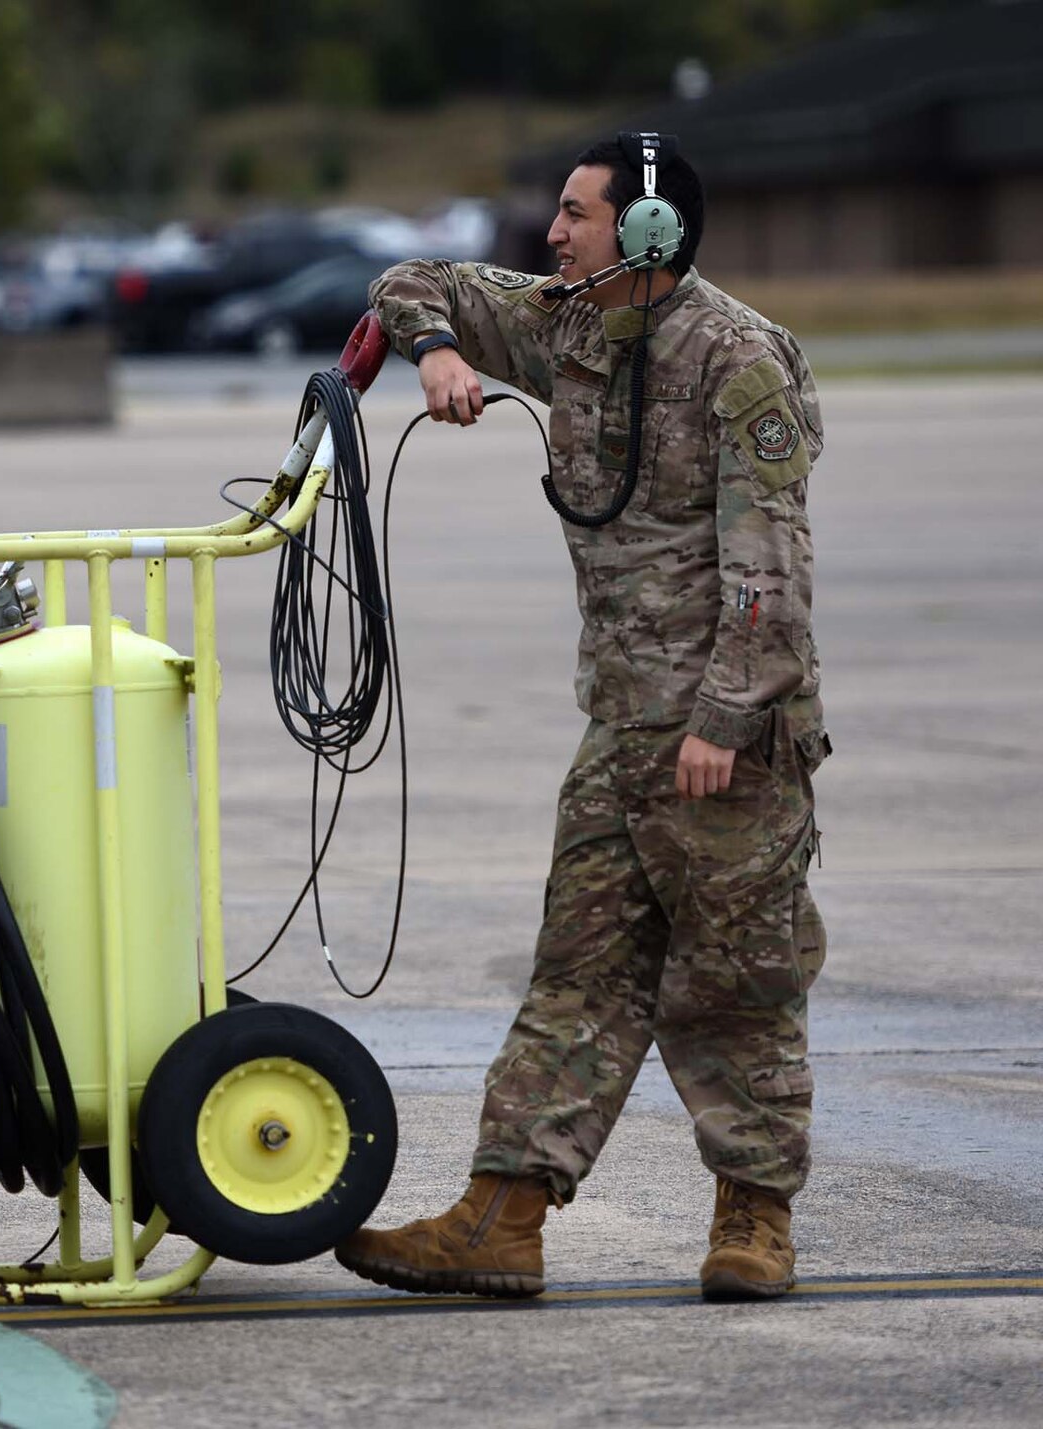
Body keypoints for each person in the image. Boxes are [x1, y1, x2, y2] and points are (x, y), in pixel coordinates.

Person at [335, 134, 830, 1302]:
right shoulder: (567, 322)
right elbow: (407, 280)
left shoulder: (737, 360)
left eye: (576, 215)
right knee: (576, 972)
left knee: (733, 985)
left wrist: (719, 717)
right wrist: (440, 352)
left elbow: (768, 569)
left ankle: (753, 1223)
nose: (552, 235)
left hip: (726, 742)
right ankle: (501, 1218)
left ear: (647, 233)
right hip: (618, 732)